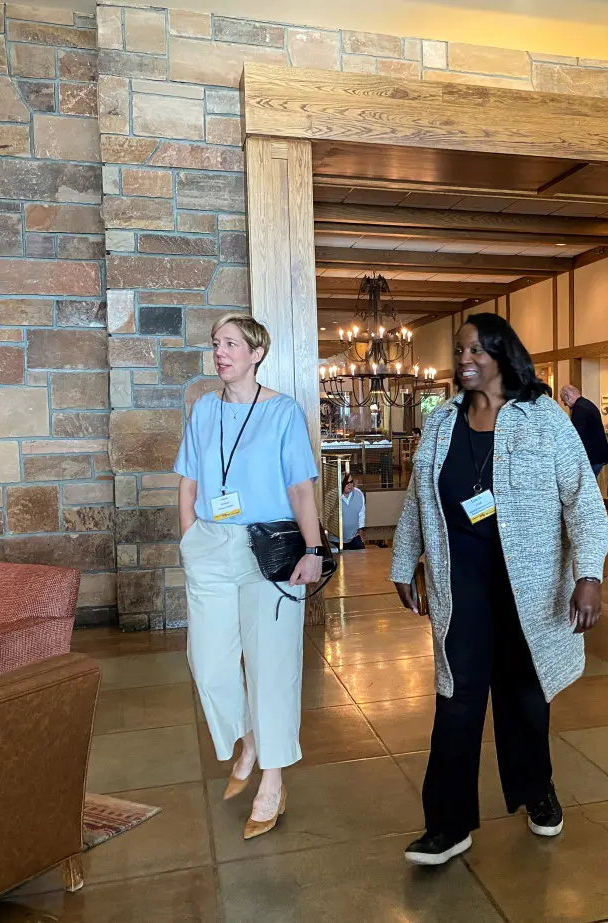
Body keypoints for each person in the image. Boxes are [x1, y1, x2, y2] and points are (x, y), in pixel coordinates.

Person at [390, 312, 608, 867]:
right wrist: (402, 561)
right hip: (459, 586)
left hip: (529, 591)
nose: (463, 360)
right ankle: (447, 824)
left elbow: (582, 499)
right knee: (456, 703)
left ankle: (537, 792)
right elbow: (419, 497)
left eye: (473, 350)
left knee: (523, 699)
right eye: (458, 351)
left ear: (500, 353)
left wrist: (589, 574)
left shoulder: (545, 419)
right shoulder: (442, 422)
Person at [175, 312, 323, 840]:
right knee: (209, 662)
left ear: (257, 353)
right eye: (216, 343)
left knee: (271, 665)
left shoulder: (282, 412)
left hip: (271, 548)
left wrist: (316, 548)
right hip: (211, 545)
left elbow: (301, 488)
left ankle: (273, 779)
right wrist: (190, 540)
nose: (221, 351)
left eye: (231, 343)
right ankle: (250, 737)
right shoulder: (203, 410)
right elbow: (188, 482)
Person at [559, 383, 608, 476]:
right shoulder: (587, 403)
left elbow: (576, 436)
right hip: (597, 457)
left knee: (585, 488)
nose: (564, 404)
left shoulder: (579, 408)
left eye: (563, 400)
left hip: (591, 458)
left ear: (567, 396)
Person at [339, 472, 366, 550]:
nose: (350, 485)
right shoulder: (332, 496)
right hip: (336, 540)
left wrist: (361, 534)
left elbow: (361, 515)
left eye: (351, 482)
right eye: (347, 483)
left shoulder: (358, 494)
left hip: (354, 537)